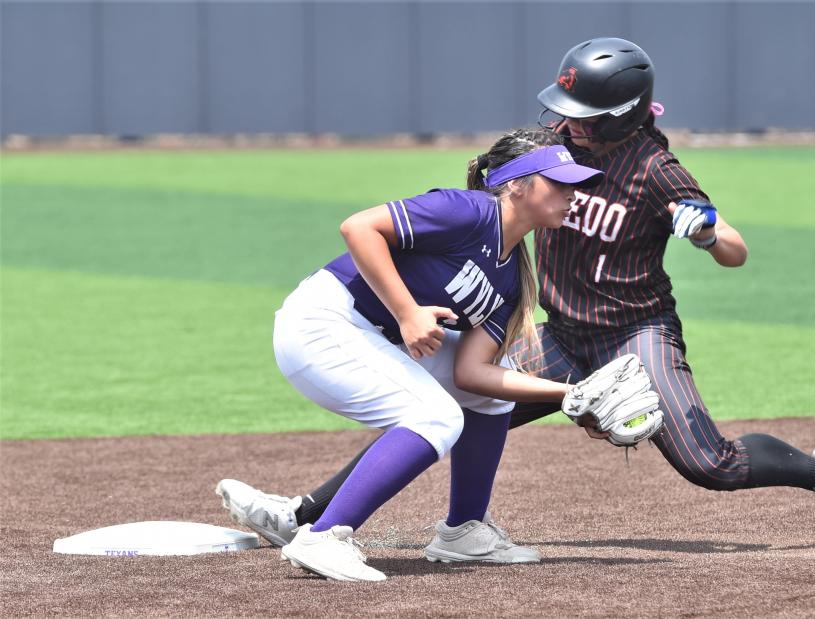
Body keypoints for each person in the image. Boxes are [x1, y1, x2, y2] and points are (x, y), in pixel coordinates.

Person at [219, 38, 815, 556]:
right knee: (440, 407)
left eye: (586, 113)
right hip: (561, 333)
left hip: (635, 334)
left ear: (624, 115)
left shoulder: (655, 169)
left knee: (708, 463)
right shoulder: (550, 149)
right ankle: (310, 517)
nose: (570, 123)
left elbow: (734, 247)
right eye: (567, 109)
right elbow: (486, 195)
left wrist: (705, 231)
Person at [217, 128, 607, 582]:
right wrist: (407, 312)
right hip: (322, 323)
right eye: (560, 182)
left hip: (372, 336)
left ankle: (464, 532)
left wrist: (571, 395)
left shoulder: (513, 277)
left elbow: (473, 373)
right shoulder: (468, 211)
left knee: (492, 394)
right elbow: (359, 227)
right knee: (437, 417)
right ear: (517, 184)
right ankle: (323, 537)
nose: (572, 194)